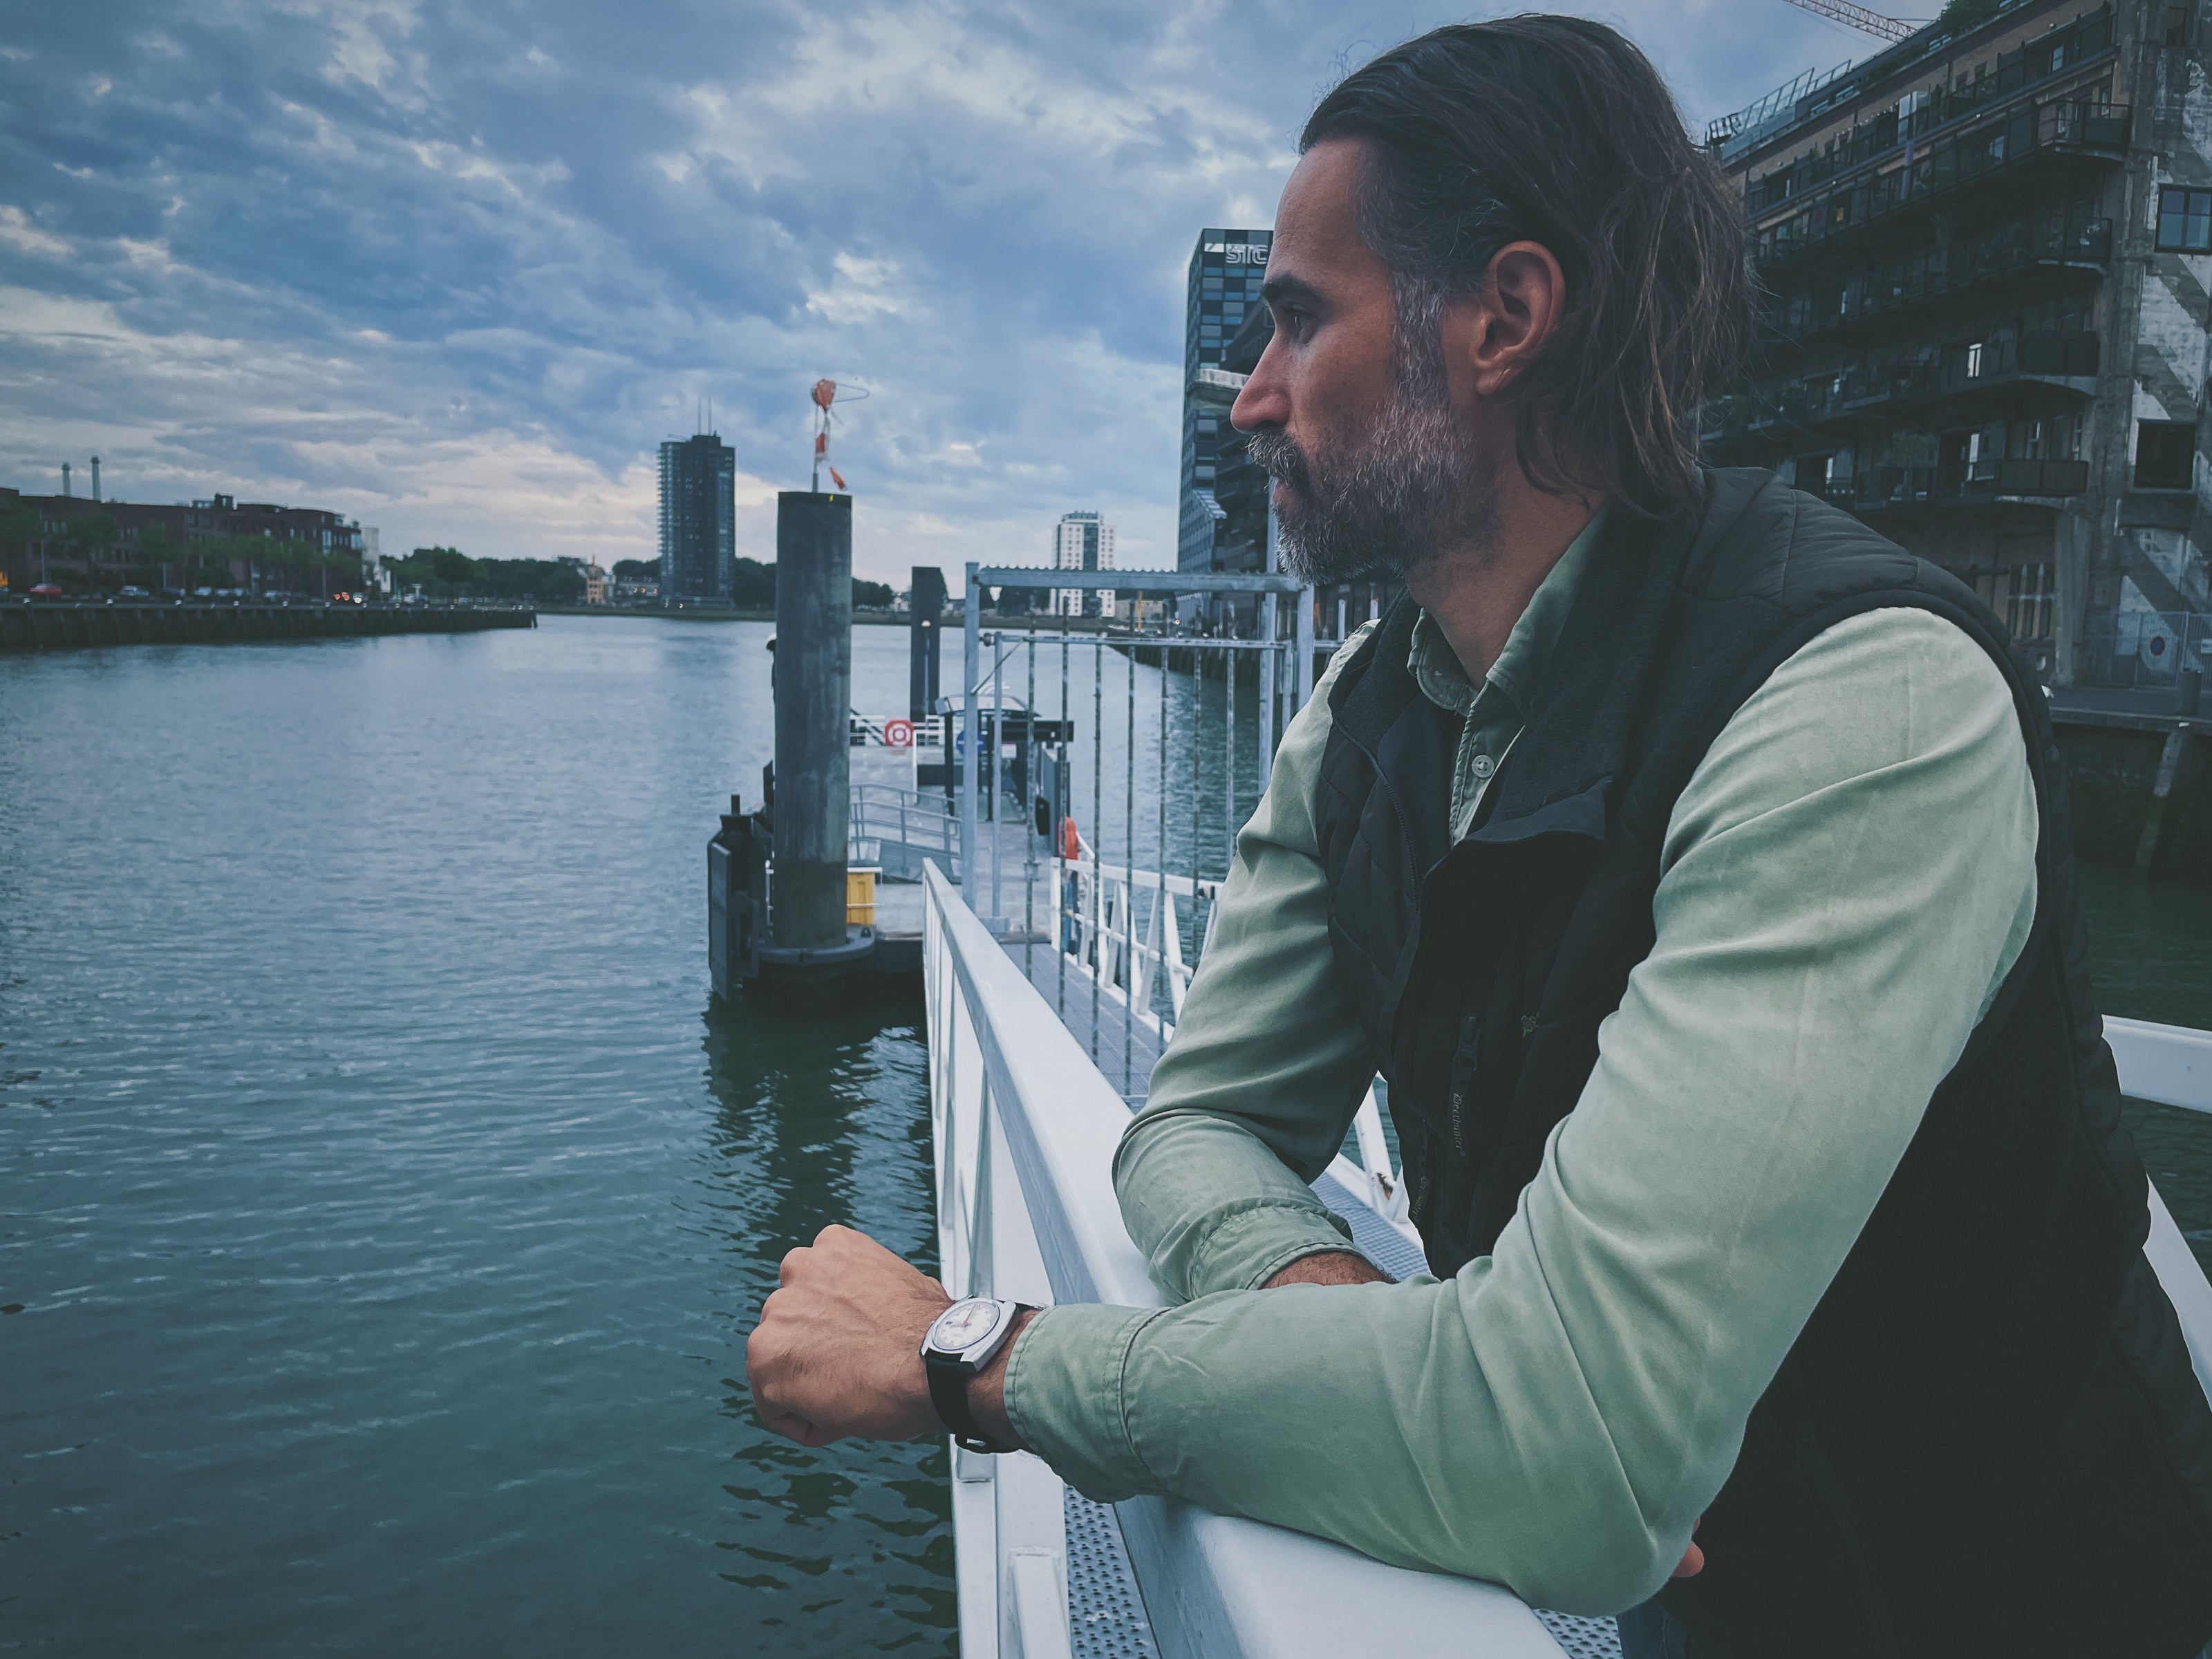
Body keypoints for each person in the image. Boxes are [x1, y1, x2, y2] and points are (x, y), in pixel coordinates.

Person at [746, 18, 2212, 1656]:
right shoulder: (1377, 708)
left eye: (1298, 321)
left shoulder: (1859, 702)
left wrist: (977, 1355)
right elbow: (1194, 1125)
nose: (1249, 398)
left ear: (1502, 319)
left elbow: (1565, 1443)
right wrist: (1323, 1302)